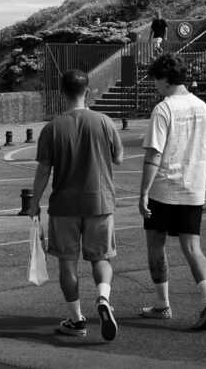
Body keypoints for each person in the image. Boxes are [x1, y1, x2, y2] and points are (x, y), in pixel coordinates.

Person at [29, 69, 124, 341]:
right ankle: (103, 298)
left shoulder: (52, 128)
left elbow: (43, 171)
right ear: (88, 91)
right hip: (100, 203)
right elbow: (118, 158)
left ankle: (76, 319)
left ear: (62, 93)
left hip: (64, 206)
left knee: (67, 264)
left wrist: (34, 203)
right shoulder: (104, 122)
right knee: (101, 258)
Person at [139, 53, 206, 331]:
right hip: (193, 189)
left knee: (156, 246)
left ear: (165, 78)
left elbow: (153, 153)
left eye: (156, 80)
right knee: (193, 248)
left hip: (163, 189)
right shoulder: (202, 107)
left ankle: (162, 304)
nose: (155, 86)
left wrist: (143, 192)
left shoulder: (164, 109)